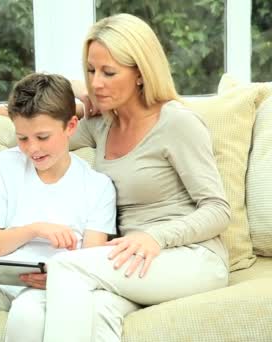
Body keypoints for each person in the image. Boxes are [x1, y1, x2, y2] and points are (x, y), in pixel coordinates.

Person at [43, 13, 231, 341]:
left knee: (65, 266)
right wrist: (76, 92)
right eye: (91, 70)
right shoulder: (99, 125)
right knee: (96, 310)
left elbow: (218, 210)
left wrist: (155, 237)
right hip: (133, 258)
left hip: (193, 257)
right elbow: (37, 134)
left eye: (109, 72)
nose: (97, 82)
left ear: (141, 74)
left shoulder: (176, 123)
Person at [0, 73, 117, 342]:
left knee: (27, 314)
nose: (32, 149)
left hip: (50, 286)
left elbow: (88, 261)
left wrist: (58, 278)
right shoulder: (2, 167)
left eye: (43, 137)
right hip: (0, 281)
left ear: (71, 126)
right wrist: (34, 230)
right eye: (22, 138)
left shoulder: (97, 186)